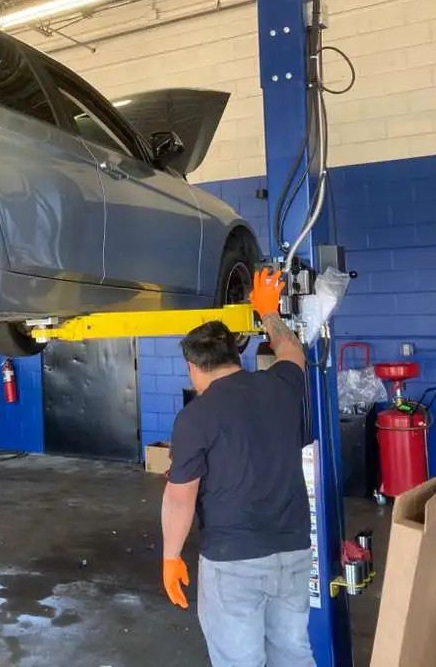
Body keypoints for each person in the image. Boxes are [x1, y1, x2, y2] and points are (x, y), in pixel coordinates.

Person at [160, 268, 315, 667]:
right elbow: (292, 350)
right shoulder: (281, 386)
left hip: (234, 560)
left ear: (193, 368)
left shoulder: (196, 416)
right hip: (293, 552)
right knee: (294, 655)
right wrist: (267, 311)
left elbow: (180, 499)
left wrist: (170, 557)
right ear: (235, 356)